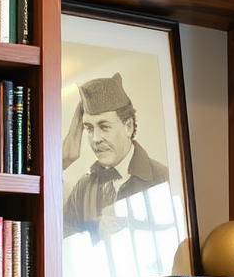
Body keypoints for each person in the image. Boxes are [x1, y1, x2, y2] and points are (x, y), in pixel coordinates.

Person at [63, 73, 169, 242]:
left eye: (104, 127)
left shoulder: (163, 179)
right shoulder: (83, 187)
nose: (96, 138)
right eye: (89, 129)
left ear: (128, 126)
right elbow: (62, 247)